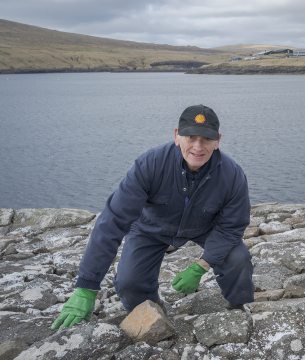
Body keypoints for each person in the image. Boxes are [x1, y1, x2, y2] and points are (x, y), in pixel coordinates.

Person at [51, 105, 254, 330]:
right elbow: (113, 221)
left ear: (218, 141)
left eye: (206, 139)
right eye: (191, 137)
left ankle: (237, 308)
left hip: (204, 227)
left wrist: (201, 266)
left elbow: (231, 227)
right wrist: (86, 287)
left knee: (238, 259)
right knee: (129, 282)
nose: (198, 146)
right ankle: (152, 311)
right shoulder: (150, 164)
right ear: (177, 136)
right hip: (151, 227)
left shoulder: (232, 175)